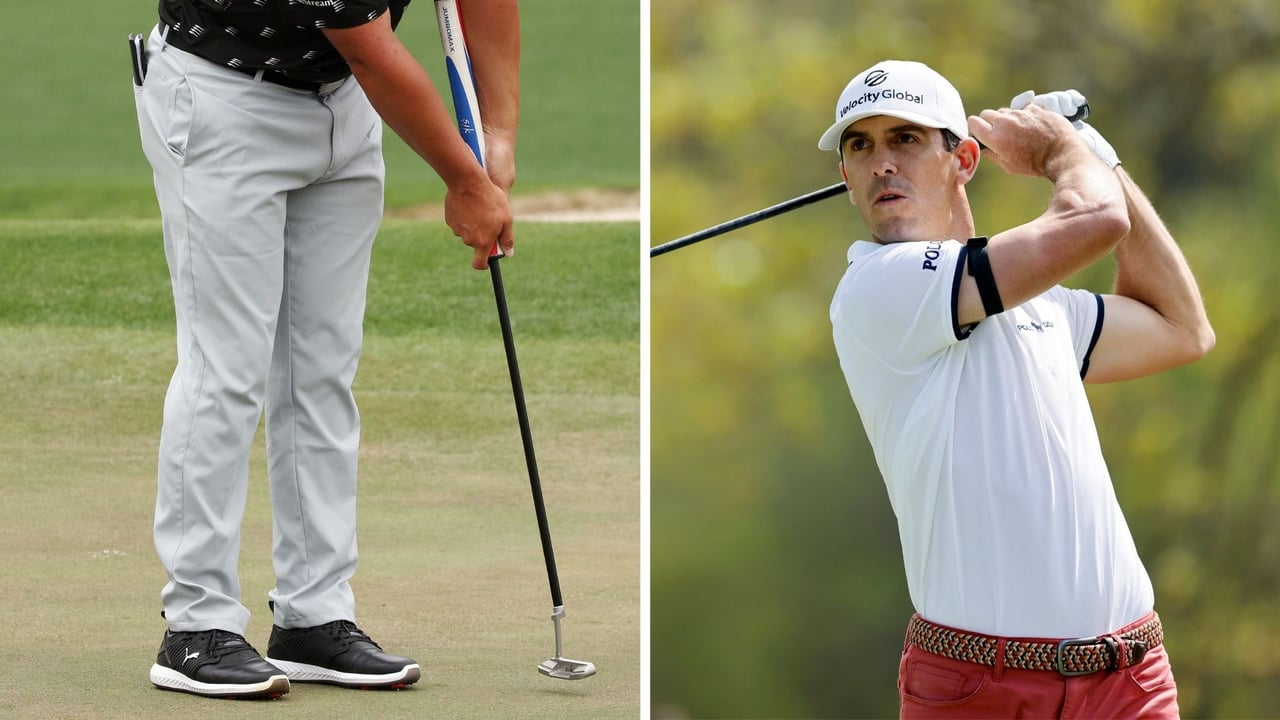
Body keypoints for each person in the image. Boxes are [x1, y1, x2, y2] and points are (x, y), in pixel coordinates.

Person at [133, 0, 519, 700]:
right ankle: (196, 625)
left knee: (321, 372)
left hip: (343, 103)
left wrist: (496, 133)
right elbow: (369, 46)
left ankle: (314, 616)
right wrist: (463, 180)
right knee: (226, 371)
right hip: (222, 96)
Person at [825, 60, 1213, 718]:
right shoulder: (876, 287)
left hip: (1130, 679)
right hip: (981, 687)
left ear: (964, 159)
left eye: (906, 139)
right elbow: (1093, 223)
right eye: (859, 145)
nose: (881, 162)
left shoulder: (1041, 307)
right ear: (846, 176)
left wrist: (1098, 155)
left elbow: (1181, 327)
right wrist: (1063, 152)